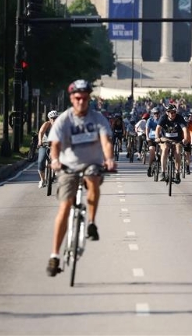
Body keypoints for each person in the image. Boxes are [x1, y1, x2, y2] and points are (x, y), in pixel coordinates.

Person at [46, 80, 115, 277]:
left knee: (93, 178)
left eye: (85, 98)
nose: (81, 102)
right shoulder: (64, 120)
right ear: (72, 99)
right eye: (77, 98)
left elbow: (106, 141)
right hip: (68, 166)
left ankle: (91, 223)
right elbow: (55, 144)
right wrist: (55, 160)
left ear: (89, 99)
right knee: (65, 206)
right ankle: (55, 255)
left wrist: (109, 159)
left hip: (91, 163)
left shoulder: (97, 118)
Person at [155, 104, 189, 184]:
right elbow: (158, 128)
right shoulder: (163, 118)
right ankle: (163, 172)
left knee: (177, 152)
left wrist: (186, 139)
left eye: (173, 112)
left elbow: (184, 129)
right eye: (170, 112)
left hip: (177, 140)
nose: (172, 114)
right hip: (165, 139)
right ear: (167, 113)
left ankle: (177, 174)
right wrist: (157, 137)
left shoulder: (179, 118)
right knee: (165, 149)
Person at [36, 110, 59, 188]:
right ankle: (42, 180)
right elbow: (41, 132)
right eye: (52, 118)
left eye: (56, 118)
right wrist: (40, 141)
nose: (54, 120)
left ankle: (56, 170)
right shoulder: (47, 124)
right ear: (49, 119)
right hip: (44, 144)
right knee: (41, 161)